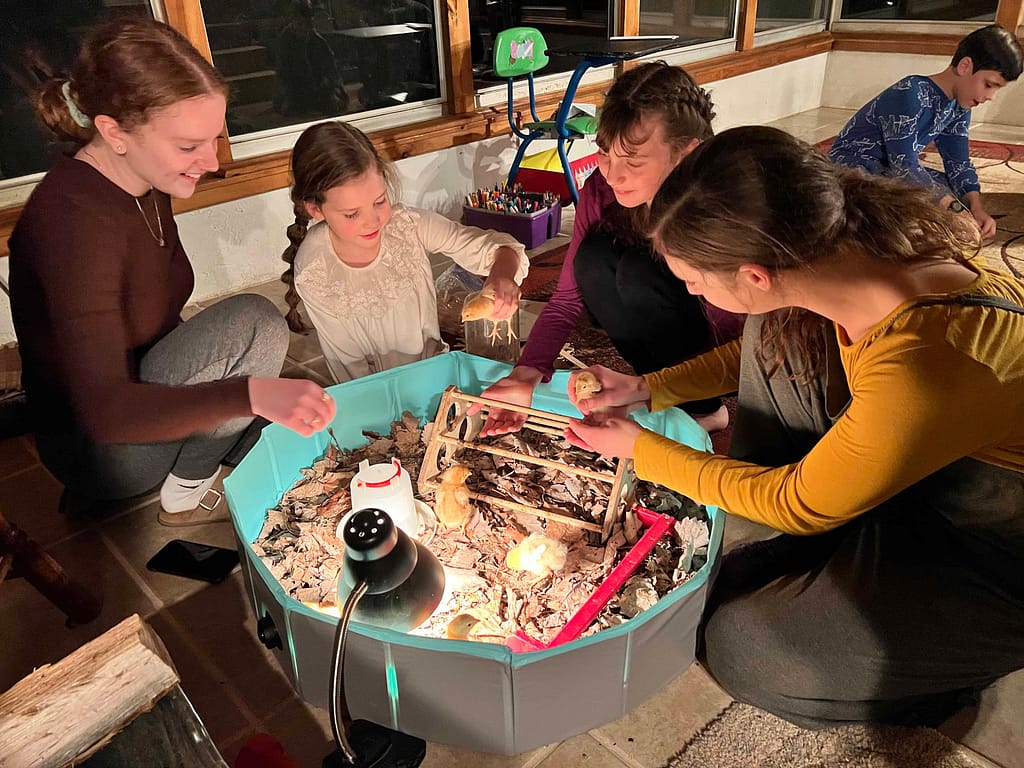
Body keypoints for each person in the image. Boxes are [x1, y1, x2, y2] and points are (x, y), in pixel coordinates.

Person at [563, 126, 1024, 729]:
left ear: (756, 276)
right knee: (775, 333)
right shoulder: (854, 254)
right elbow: (760, 352)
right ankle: (822, 544)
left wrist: (644, 451)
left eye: (695, 280)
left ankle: (939, 674)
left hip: (987, 546)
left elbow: (799, 502)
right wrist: (649, 387)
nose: (692, 290)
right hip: (920, 469)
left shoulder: (926, 365)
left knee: (742, 647)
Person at [8, 18, 335, 526]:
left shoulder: (145, 178)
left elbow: (161, 324)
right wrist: (246, 393)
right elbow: (104, 412)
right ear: (114, 131)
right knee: (255, 327)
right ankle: (185, 493)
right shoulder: (69, 222)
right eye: (188, 146)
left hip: (143, 392)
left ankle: (211, 452)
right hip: (99, 447)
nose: (210, 161)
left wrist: (242, 392)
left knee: (278, 395)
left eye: (214, 138)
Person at [473, 62, 744, 436]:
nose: (613, 174)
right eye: (605, 154)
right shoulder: (601, 189)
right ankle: (662, 390)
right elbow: (567, 299)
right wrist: (526, 373)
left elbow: (744, 345)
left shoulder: (721, 213)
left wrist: (654, 393)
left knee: (636, 271)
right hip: (678, 337)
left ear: (685, 154)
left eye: (633, 161)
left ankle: (702, 406)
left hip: (730, 353)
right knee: (595, 258)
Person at [281, 120, 529, 383]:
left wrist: (502, 275)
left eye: (379, 201)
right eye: (352, 214)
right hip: (374, 393)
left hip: (437, 373)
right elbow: (350, 369)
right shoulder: (315, 271)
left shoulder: (408, 226)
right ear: (315, 210)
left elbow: (498, 250)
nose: (373, 220)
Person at [828, 24, 1023, 240]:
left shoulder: (959, 106)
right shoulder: (910, 93)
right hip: (854, 168)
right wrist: (955, 212)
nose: (991, 96)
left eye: (997, 89)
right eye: (988, 84)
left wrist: (975, 208)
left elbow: (958, 163)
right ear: (965, 66)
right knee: (914, 203)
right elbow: (904, 166)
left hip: (889, 170)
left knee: (952, 188)